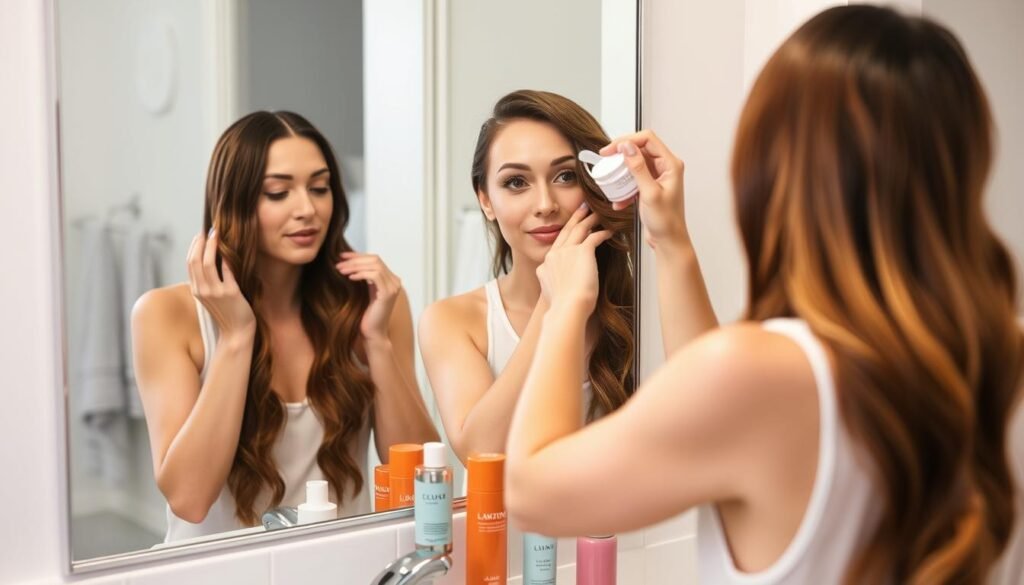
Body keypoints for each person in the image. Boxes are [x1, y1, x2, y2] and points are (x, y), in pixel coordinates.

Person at [505, 6, 1024, 584]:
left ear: (775, 169)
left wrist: (565, 307)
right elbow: (715, 404)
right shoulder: (995, 348)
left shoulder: (765, 373)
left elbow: (530, 494)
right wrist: (670, 238)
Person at [132, 111, 438, 541]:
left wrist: (377, 342)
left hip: (338, 569)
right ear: (234, 203)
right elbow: (188, 497)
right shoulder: (166, 315)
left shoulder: (373, 304)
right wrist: (237, 338)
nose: (307, 209)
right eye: (278, 193)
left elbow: (423, 476)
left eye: (319, 187)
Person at [420, 90, 635, 464]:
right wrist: (555, 302)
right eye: (517, 182)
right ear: (486, 200)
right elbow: (482, 451)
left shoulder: (635, 308)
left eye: (565, 176)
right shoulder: (452, 321)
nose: (545, 204)